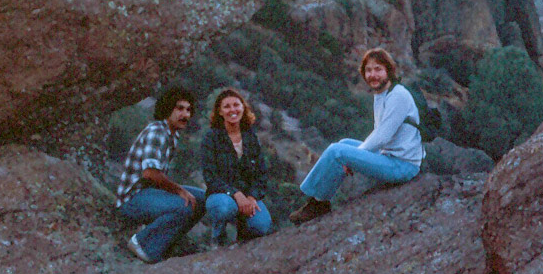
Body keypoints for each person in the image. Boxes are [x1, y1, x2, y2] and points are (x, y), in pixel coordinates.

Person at [289, 48, 422, 224]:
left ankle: (315, 202)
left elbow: (382, 136)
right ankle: (321, 201)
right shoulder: (382, 94)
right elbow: (379, 134)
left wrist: (350, 158)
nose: (373, 75)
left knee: (337, 151)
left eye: (378, 69)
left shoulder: (398, 95)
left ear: (388, 71)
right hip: (389, 156)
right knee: (344, 144)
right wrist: (354, 156)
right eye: (368, 70)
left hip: (402, 166)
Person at [116, 85, 205, 262]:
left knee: (203, 199)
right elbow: (150, 174)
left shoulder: (172, 135)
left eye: (188, 110)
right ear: (167, 109)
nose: (185, 115)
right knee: (185, 204)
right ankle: (142, 244)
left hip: (149, 194)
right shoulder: (157, 131)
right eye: (179, 108)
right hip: (132, 199)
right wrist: (179, 191)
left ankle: (165, 243)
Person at [199, 88, 273, 245]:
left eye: (236, 105)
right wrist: (235, 194)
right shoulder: (211, 138)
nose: (232, 110)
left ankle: (242, 241)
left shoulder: (251, 138)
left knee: (262, 226)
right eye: (226, 106)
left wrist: (252, 197)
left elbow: (262, 175)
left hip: (248, 196)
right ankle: (218, 239)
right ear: (219, 112)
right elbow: (210, 177)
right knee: (224, 208)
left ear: (243, 108)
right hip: (221, 195)